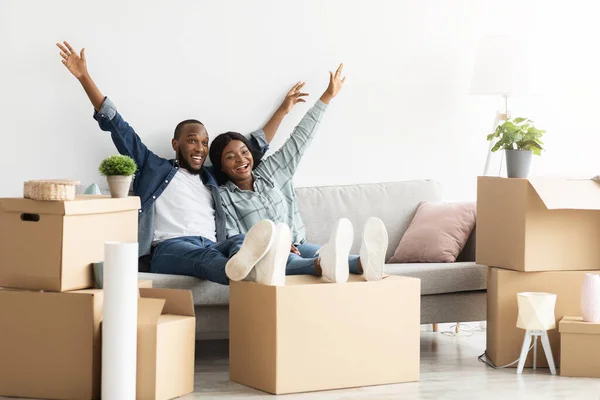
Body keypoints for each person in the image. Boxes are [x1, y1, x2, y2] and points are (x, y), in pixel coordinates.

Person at [57, 40, 304, 286]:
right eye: (192, 141)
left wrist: (283, 110)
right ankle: (247, 272)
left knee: (242, 241)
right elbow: (118, 127)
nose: (200, 148)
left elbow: (252, 151)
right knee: (206, 257)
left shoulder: (211, 178)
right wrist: (84, 77)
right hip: (168, 248)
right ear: (176, 145)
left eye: (204, 143)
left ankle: (262, 265)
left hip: (214, 244)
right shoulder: (153, 167)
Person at [209, 64, 389, 284]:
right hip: (267, 255)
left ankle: (364, 262)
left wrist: (327, 97)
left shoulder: (273, 172)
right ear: (221, 166)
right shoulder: (224, 196)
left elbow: (300, 139)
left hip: (299, 245)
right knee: (286, 261)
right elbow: (235, 239)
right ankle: (323, 265)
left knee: (321, 252)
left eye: (245, 152)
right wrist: (275, 246)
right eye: (230, 157)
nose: (241, 159)